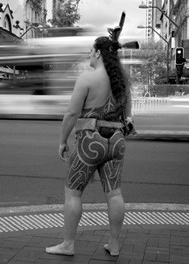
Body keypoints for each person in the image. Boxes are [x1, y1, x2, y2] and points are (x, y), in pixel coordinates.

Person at [45, 35, 133, 257]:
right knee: (114, 194)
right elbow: (128, 115)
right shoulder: (122, 81)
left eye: (91, 51)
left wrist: (63, 140)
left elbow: (72, 113)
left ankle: (68, 244)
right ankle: (114, 245)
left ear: (99, 53)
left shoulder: (87, 78)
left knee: (72, 194)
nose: (89, 55)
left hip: (89, 141)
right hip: (117, 140)